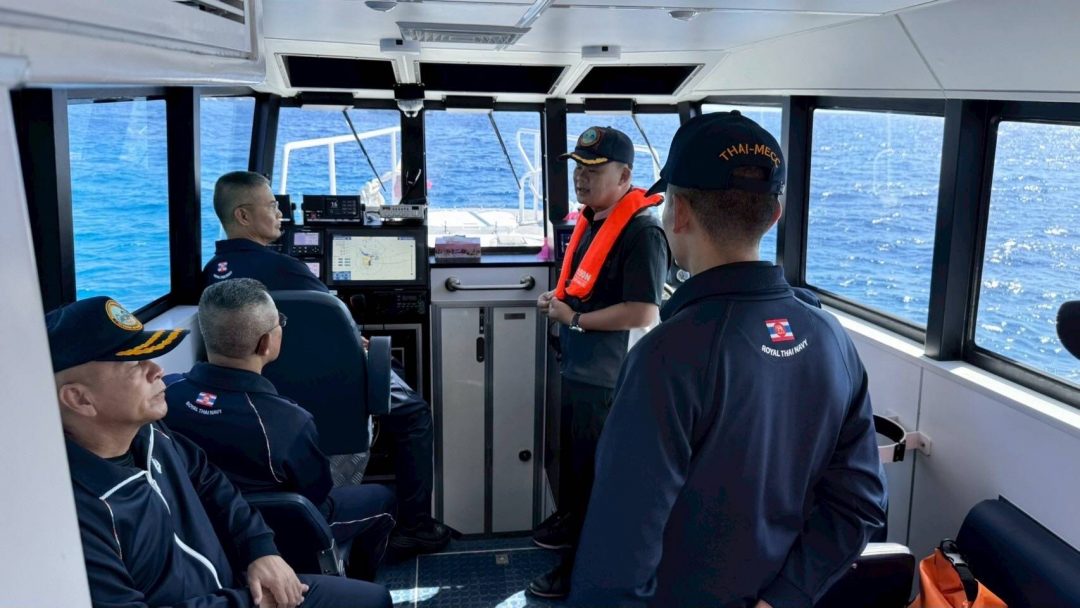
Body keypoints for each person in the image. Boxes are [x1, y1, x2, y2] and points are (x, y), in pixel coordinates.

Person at [569, 111, 888, 607]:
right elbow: (861, 503)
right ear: (774, 214)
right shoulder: (831, 338)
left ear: (677, 213)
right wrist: (784, 597)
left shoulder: (664, 358)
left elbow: (616, 563)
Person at [48, 296, 391, 608]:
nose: (157, 370)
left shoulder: (152, 434)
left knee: (373, 599)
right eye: (134, 365)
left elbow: (211, 481)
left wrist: (259, 548)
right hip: (231, 599)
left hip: (233, 579)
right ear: (79, 398)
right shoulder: (76, 512)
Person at [204, 171, 450, 555]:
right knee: (414, 413)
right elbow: (334, 320)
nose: (280, 214)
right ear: (243, 216)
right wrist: (357, 340)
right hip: (331, 384)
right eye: (272, 206)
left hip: (266, 388)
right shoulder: (287, 268)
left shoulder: (212, 275)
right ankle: (415, 524)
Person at [164, 278, 396, 581]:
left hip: (198, 529)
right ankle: (356, 582)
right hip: (280, 530)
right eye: (280, 323)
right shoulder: (289, 422)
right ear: (265, 343)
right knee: (383, 498)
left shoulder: (165, 394)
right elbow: (317, 493)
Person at [529, 126, 671, 599]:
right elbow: (590, 287)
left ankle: (579, 572)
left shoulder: (643, 232)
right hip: (580, 370)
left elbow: (643, 312)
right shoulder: (593, 220)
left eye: (593, 169)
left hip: (609, 380)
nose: (580, 177)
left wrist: (573, 318)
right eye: (577, 167)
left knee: (597, 481)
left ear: (625, 175)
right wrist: (560, 300)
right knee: (577, 471)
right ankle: (571, 528)